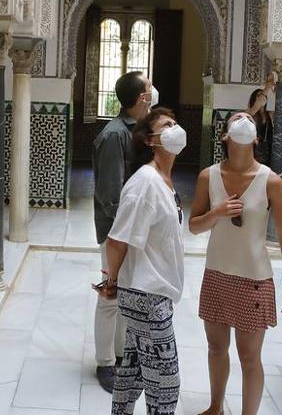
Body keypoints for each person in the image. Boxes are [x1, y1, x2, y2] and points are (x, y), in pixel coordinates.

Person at [189, 111, 282, 415]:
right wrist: (217, 213)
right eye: (235, 118)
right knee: (216, 348)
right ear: (225, 135)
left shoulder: (270, 181)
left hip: (253, 279)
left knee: (249, 356)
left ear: (255, 137)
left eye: (248, 118)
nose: (243, 117)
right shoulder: (208, 176)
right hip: (216, 274)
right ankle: (216, 407)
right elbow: (194, 226)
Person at [102, 107, 187, 415]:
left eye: (175, 123)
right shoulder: (145, 182)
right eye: (167, 125)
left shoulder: (163, 180)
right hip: (147, 297)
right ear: (151, 140)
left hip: (150, 292)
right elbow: (117, 239)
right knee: (166, 385)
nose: (175, 128)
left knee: (134, 371)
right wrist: (113, 281)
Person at [93, 71, 156, 392]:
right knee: (109, 297)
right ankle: (104, 363)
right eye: (148, 88)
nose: (152, 92)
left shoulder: (134, 131)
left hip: (130, 233)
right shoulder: (114, 135)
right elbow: (110, 196)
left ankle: (119, 356)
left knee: (125, 296)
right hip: (116, 234)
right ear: (141, 98)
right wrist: (126, 236)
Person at [244, 73, 275, 164]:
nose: (262, 97)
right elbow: (257, 105)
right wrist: (267, 88)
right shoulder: (249, 112)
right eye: (258, 95)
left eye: (263, 95)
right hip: (252, 152)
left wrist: (276, 91)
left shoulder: (269, 114)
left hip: (267, 152)